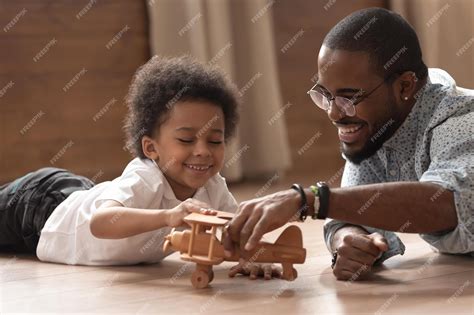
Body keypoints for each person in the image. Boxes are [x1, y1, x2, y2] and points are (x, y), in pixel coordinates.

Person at [224, 7, 473, 281]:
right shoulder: (380, 124)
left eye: (349, 97)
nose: (333, 113)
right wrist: (348, 239)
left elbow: (447, 203)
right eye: (325, 95)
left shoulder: (461, 122)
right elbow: (350, 208)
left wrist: (309, 200)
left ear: (404, 87)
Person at [0, 56, 243, 267]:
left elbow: (237, 234)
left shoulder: (213, 187)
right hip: (41, 205)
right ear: (151, 148)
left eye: (214, 141)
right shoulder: (146, 178)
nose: (203, 151)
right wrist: (169, 216)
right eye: (186, 139)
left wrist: (250, 261)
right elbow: (100, 222)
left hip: (69, 212)